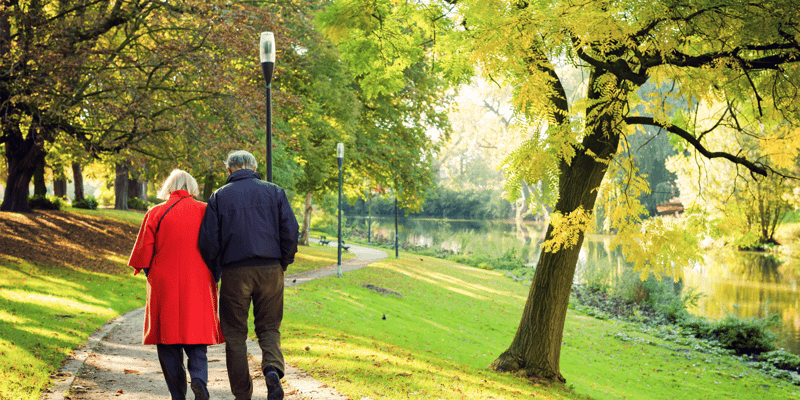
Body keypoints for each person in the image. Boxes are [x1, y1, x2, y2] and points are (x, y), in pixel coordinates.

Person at [198, 150, 299, 400]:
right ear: (254, 167)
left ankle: (242, 394)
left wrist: (217, 269)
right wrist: (283, 262)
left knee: (234, 334)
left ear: (229, 169)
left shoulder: (219, 196)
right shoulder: (274, 191)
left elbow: (209, 240)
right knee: (269, 326)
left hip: (235, 271)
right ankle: (272, 369)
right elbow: (291, 230)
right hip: (270, 268)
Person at [128, 169, 224, 400]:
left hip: (164, 282)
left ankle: (177, 395)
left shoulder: (156, 213)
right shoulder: (205, 211)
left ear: (168, 188)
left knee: (168, 342)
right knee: (197, 339)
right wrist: (215, 274)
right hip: (199, 281)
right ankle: (199, 380)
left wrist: (152, 275)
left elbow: (143, 255)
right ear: (192, 188)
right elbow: (217, 247)